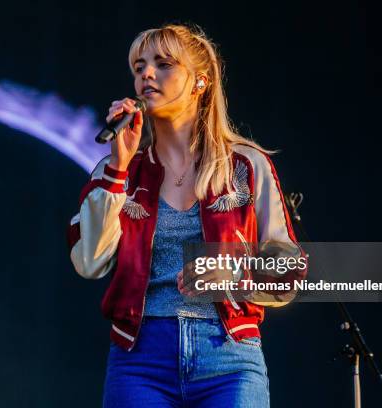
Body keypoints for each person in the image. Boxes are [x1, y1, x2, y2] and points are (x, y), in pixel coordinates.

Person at [66, 23, 306, 407]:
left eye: (163, 64)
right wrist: (117, 170)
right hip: (140, 359)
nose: (146, 74)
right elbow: (89, 261)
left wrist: (235, 274)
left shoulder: (246, 165)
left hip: (229, 356)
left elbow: (290, 270)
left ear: (200, 82)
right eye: (138, 66)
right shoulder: (119, 170)